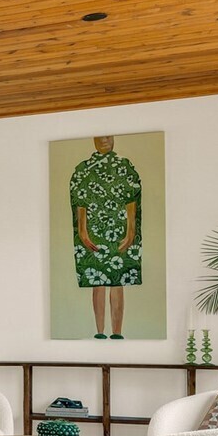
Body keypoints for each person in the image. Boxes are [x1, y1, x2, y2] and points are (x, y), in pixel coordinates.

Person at [69, 135, 142, 338]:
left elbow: (132, 199)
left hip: (119, 228)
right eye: (100, 137)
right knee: (97, 281)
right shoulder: (83, 169)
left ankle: (117, 332)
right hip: (94, 230)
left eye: (109, 137)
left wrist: (131, 231)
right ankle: (100, 332)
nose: (105, 141)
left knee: (117, 281)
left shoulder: (125, 166)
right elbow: (79, 200)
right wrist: (83, 232)